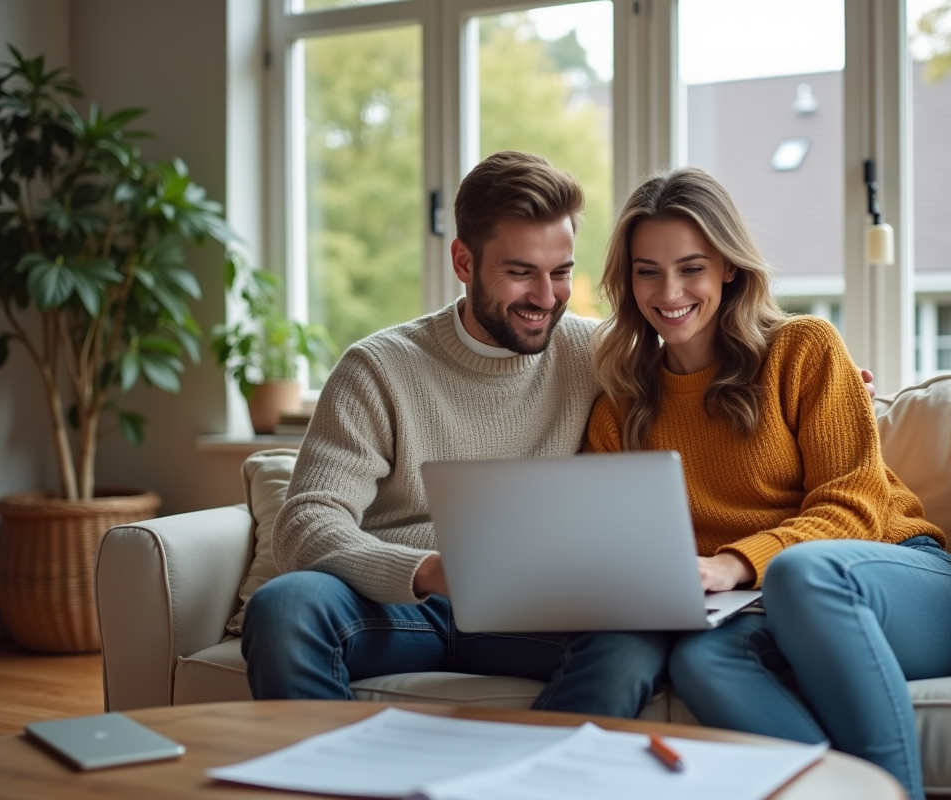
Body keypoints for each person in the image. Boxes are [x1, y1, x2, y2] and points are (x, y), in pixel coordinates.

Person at [585, 167, 951, 800]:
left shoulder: (803, 348)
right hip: (759, 610)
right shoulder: (622, 407)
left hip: (898, 586)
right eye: (647, 271)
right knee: (702, 661)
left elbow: (855, 509)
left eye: (692, 267)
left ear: (729, 269)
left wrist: (732, 564)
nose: (669, 291)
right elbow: (612, 540)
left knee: (804, 573)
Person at [240, 151, 671, 715]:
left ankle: (528, 782)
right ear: (464, 262)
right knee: (284, 607)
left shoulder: (597, 355)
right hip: (399, 605)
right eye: (520, 273)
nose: (546, 298)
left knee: (636, 637)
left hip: (537, 609)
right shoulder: (379, 367)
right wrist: (428, 571)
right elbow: (305, 523)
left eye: (560, 272)